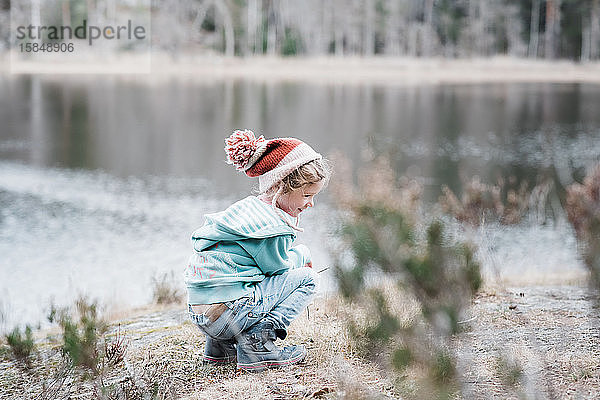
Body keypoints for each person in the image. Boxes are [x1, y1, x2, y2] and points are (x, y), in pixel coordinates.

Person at [184, 129, 331, 372]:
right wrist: (302, 254)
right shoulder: (272, 226)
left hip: (200, 314)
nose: (310, 203)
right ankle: (258, 345)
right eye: (306, 195)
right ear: (281, 185)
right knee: (308, 279)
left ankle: (220, 348)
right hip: (227, 316)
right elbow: (277, 269)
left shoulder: (246, 209)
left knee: (237, 279)